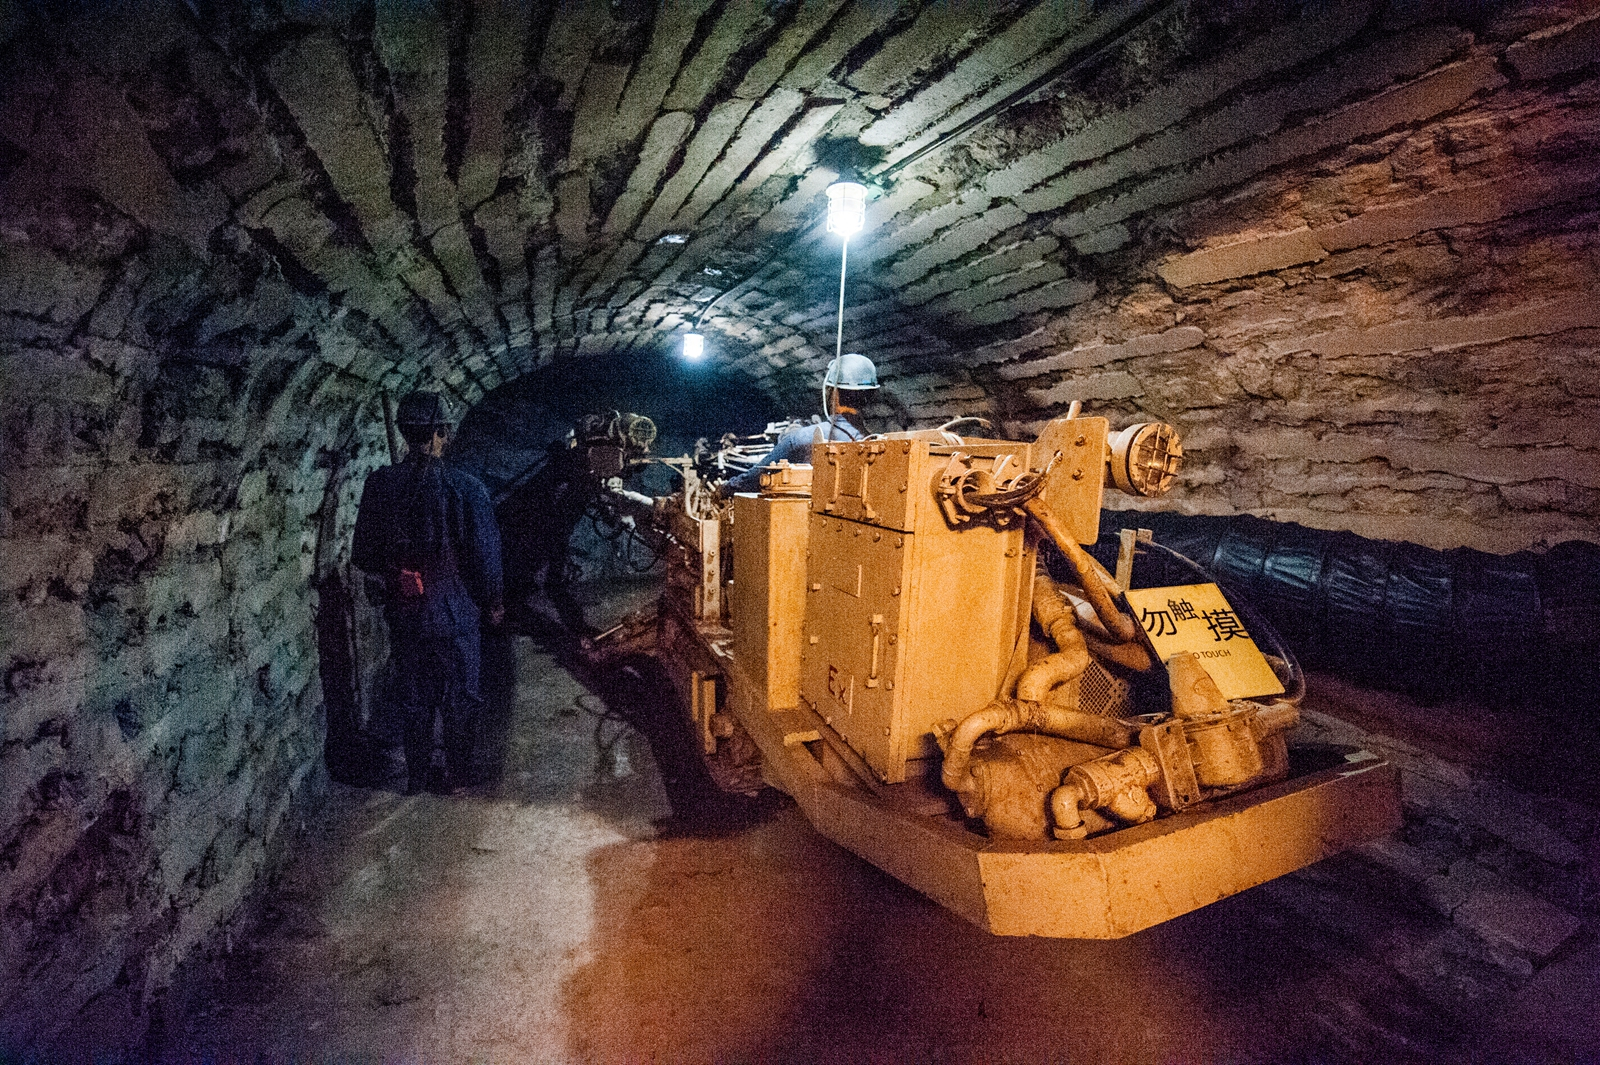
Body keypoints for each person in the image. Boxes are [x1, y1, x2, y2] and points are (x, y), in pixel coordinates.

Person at [352, 390, 504, 794]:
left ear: (405, 433)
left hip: (407, 612)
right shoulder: (467, 488)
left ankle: (417, 776)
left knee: (413, 696)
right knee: (461, 695)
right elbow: (485, 554)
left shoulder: (379, 485)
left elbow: (364, 555)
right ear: (442, 433)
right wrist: (493, 601)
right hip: (456, 612)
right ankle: (457, 775)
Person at [722, 353, 879, 494]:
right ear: (870, 396)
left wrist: (725, 488)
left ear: (833, 392)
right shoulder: (877, 443)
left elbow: (754, 478)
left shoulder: (801, 438)